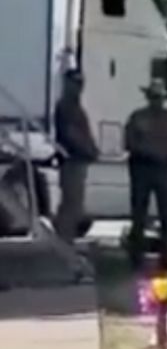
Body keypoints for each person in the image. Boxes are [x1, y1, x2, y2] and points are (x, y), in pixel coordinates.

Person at [123, 78, 167, 269]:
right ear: (148, 98)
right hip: (142, 168)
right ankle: (135, 257)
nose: (157, 101)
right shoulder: (137, 117)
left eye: (159, 97)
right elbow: (129, 143)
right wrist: (150, 152)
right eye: (153, 97)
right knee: (139, 215)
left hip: (164, 169)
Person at [53, 69, 99, 242]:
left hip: (78, 161)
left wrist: (92, 148)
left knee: (74, 203)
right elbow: (71, 134)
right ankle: (64, 240)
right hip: (72, 160)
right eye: (75, 83)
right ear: (67, 84)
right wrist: (89, 150)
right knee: (71, 203)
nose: (79, 87)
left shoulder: (76, 107)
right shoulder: (66, 107)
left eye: (81, 83)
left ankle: (66, 238)